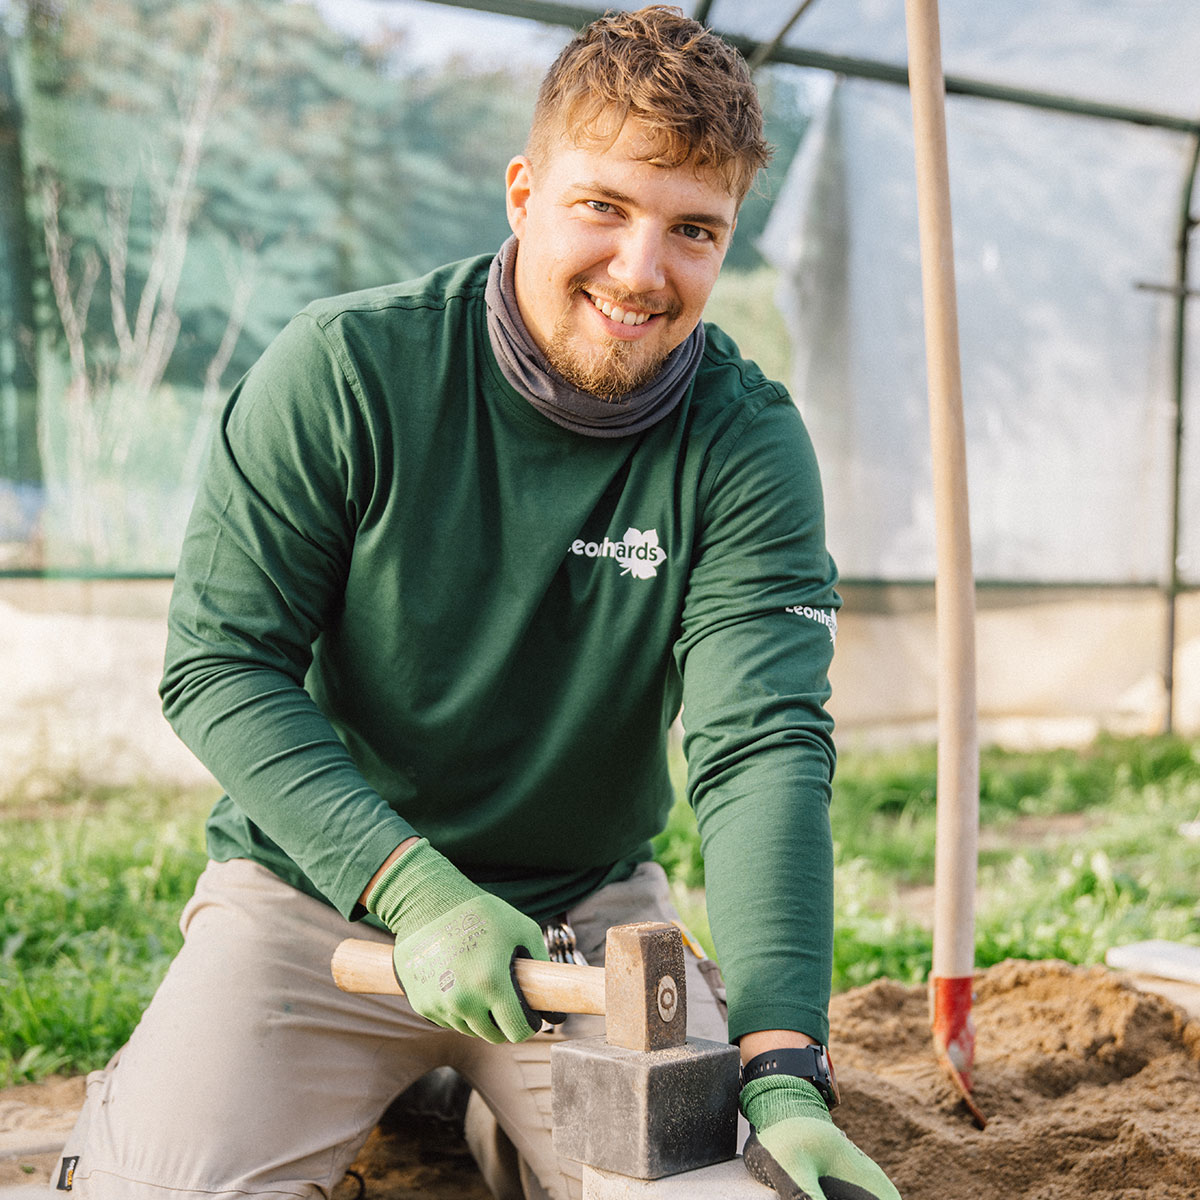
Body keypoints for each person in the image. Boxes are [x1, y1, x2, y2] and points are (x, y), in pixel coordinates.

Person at [56, 7, 901, 1199]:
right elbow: (219, 666)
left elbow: (761, 745)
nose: (642, 271)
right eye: (602, 206)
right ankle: (420, 1082)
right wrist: (414, 889)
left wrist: (784, 1068)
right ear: (522, 193)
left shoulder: (744, 441)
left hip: (583, 928)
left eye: (693, 229)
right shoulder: (347, 370)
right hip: (317, 906)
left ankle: (493, 1112)